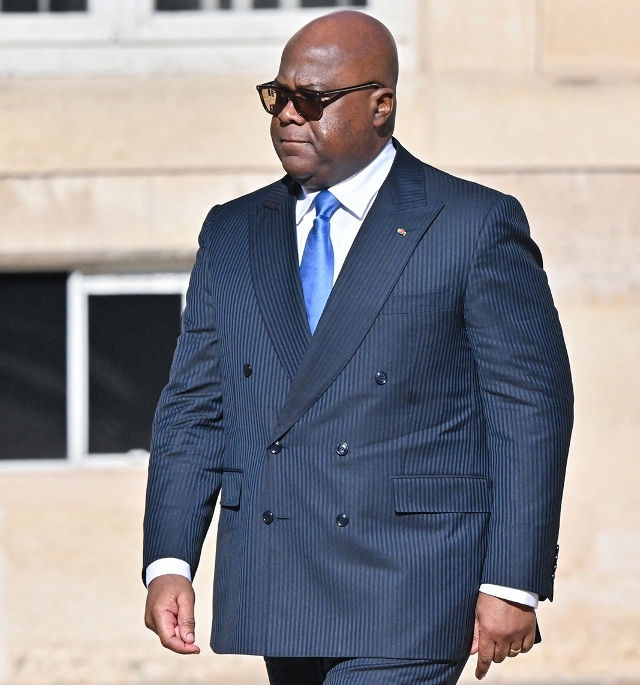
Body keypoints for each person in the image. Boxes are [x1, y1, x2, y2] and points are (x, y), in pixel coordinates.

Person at [141, 11, 573, 685]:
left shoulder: (472, 225)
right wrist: (171, 559)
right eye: (276, 96)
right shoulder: (231, 234)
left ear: (381, 106)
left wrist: (513, 579)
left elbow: (529, 408)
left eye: (310, 99)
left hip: (413, 583)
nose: (287, 114)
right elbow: (196, 409)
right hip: (280, 580)